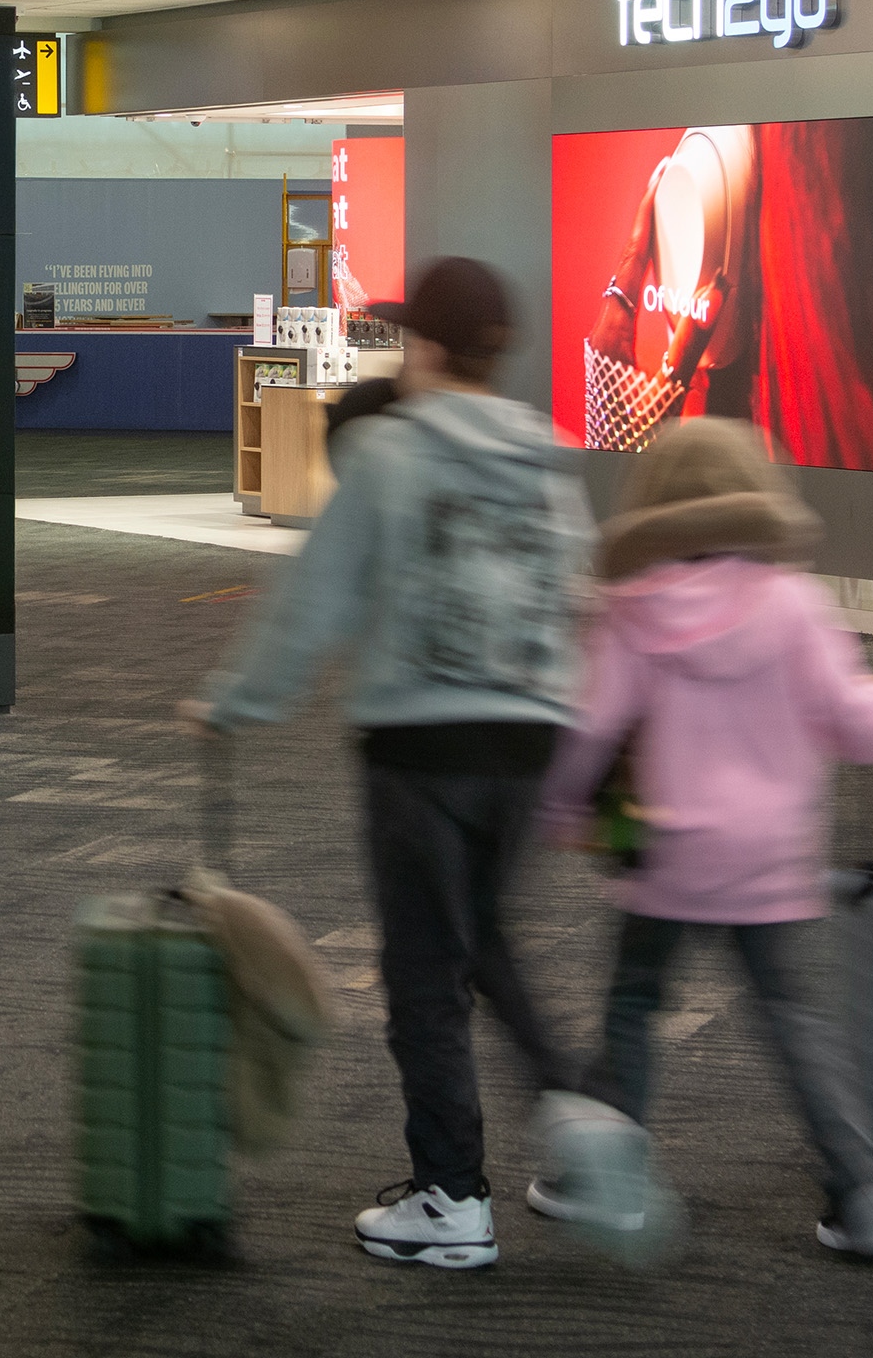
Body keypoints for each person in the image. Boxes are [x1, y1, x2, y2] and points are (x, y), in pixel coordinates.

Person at [186, 256, 594, 1272]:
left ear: (425, 346)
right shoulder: (547, 454)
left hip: (422, 749)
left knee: (424, 973)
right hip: (529, 741)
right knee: (485, 941)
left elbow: (313, 602)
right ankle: (585, 1122)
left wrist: (234, 705)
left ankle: (453, 1197)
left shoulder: (390, 453)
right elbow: (577, 598)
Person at [534, 418, 873, 1261]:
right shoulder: (795, 603)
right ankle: (863, 1198)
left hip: (668, 854)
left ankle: (612, 1184)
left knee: (634, 1004)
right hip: (772, 855)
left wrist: (557, 809)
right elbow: (851, 716)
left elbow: (589, 727)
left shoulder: (631, 609)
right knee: (794, 1018)